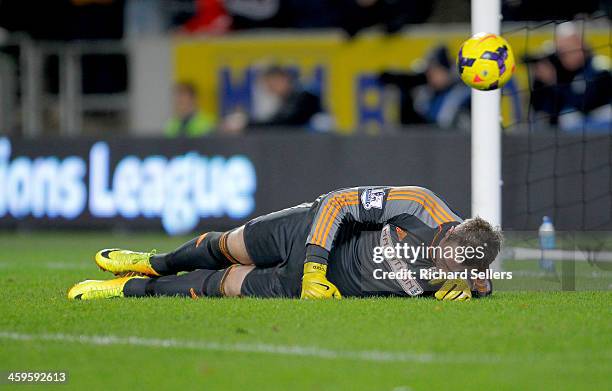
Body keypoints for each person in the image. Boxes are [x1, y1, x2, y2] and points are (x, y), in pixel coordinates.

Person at [68, 186, 502, 301]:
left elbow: (488, 284)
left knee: (222, 285)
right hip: (308, 233)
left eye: (454, 271)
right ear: (449, 231)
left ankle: (127, 289)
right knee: (224, 247)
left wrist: (477, 289)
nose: (441, 270)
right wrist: (314, 265)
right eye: (444, 261)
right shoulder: (420, 205)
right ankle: (153, 262)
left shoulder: (469, 274)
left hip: (328, 286)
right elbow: (337, 203)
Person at [529, 22, 612, 132]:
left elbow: (583, 103)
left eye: (566, 49)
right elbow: (541, 109)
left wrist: (554, 84)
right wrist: (544, 83)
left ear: (579, 44)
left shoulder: (600, 68)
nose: (562, 55)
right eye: (559, 50)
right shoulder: (560, 71)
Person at [379, 46, 471, 130]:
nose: (429, 75)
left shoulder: (464, 95)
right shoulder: (427, 95)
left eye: (435, 70)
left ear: (446, 70)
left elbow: (447, 124)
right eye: (428, 71)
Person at [222, 65, 322, 133]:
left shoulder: (305, 95)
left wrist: (246, 124)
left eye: (271, 85)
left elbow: (284, 123)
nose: (270, 90)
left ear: (282, 79)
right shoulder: (287, 100)